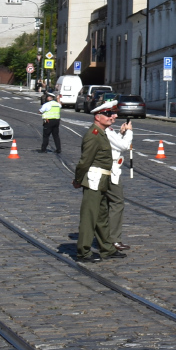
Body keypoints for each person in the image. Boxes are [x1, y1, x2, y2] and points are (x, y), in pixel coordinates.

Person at [73, 99, 124, 262]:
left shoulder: (101, 133)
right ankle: (83, 251)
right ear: (97, 116)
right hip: (93, 180)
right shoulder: (94, 135)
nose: (112, 117)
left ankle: (107, 248)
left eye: (112, 114)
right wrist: (78, 179)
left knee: (101, 216)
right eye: (108, 114)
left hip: (103, 180)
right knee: (90, 217)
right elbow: (85, 161)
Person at [105, 116, 133, 252]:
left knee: (109, 205)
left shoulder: (107, 130)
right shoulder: (105, 130)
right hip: (111, 172)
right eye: (110, 114)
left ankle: (108, 238)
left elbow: (114, 145)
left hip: (110, 170)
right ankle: (113, 240)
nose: (114, 117)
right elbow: (124, 146)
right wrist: (129, 132)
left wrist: (120, 134)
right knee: (117, 203)